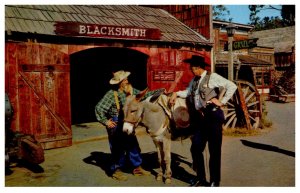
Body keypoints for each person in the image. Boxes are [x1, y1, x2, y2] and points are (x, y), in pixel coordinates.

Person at [169, 55, 237, 187]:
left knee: (214, 151)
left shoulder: (213, 77)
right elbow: (189, 92)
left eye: (192, 68)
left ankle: (214, 182)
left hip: (213, 116)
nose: (191, 70)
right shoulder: (194, 80)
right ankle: (200, 179)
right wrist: (176, 93)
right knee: (196, 148)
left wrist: (221, 102)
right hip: (200, 118)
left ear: (198, 67)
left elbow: (231, 86)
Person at [95, 70, 162, 181]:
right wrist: (106, 121)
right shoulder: (111, 94)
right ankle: (116, 170)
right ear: (119, 82)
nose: (127, 81)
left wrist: (160, 91)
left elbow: (144, 95)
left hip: (128, 121)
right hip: (116, 124)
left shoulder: (131, 91)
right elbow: (99, 108)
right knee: (117, 148)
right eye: (124, 79)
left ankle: (137, 167)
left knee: (133, 145)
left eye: (126, 79)